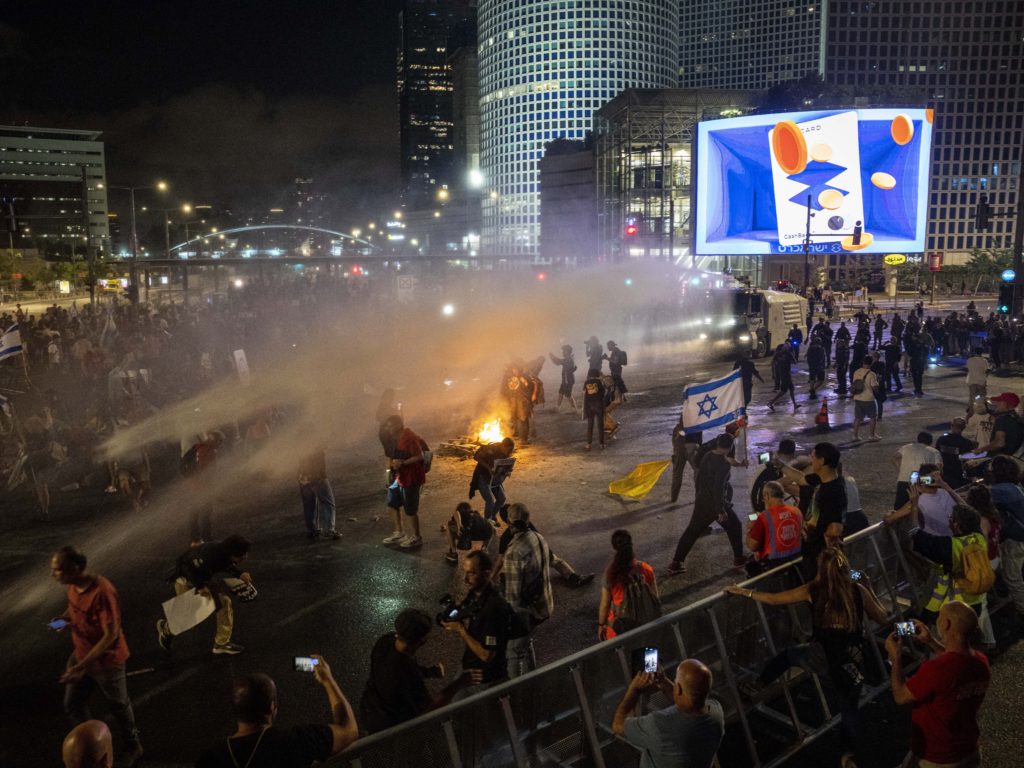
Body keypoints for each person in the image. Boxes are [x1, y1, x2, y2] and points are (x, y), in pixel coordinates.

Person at [726, 547, 890, 768]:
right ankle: (847, 757)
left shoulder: (813, 589)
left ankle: (758, 685)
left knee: (787, 657)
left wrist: (743, 591)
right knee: (849, 709)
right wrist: (869, 587)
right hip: (851, 661)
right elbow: (883, 618)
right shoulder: (858, 590)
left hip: (820, 656)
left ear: (821, 570)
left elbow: (774, 599)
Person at [50, 547, 143, 768]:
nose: (53, 574)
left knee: (119, 706)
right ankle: (93, 745)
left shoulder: (103, 591)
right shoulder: (74, 585)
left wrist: (82, 666)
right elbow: (74, 608)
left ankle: (134, 746)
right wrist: (63, 619)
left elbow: (111, 635)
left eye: (57, 570)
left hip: (106, 662)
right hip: (81, 655)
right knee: (73, 704)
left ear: (74, 569)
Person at [195, 659, 357, 767]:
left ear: (236, 710)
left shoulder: (209, 759)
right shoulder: (294, 742)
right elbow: (348, 730)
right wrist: (328, 680)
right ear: (272, 708)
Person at [884, 602, 990, 768]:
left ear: (946, 624)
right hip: (969, 750)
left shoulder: (936, 669)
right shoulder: (980, 661)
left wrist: (895, 657)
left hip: (935, 757)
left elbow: (900, 695)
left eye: (940, 616)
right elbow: (956, 659)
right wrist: (930, 641)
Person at [361, 609, 467, 733]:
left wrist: (430, 672)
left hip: (370, 708)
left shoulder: (385, 641)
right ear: (422, 640)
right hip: (391, 727)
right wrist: (460, 682)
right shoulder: (408, 674)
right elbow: (430, 707)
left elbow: (398, 668)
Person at [611, 659, 724, 768]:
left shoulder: (660, 724)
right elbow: (690, 699)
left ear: (678, 688)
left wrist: (634, 689)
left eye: (675, 681)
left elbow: (617, 724)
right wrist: (663, 680)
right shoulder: (716, 712)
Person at [666, 433, 748, 576]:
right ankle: (739, 559)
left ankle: (676, 563)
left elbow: (709, 469)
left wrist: (740, 464)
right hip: (715, 504)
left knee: (691, 532)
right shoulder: (723, 465)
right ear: (729, 448)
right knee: (735, 526)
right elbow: (718, 488)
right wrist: (721, 510)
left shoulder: (708, 455)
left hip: (702, 501)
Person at [157, 534, 252, 655]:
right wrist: (200, 586)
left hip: (200, 578)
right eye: (243, 555)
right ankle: (166, 630)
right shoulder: (210, 555)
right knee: (189, 617)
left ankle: (221, 643)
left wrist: (239, 574)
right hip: (187, 580)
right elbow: (187, 567)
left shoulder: (223, 552)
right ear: (233, 553)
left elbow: (225, 564)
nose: (245, 557)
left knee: (223, 603)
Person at [901, 504, 991, 624]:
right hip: (975, 601)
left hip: (950, 605)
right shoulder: (979, 538)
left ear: (956, 524)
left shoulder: (950, 546)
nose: (948, 519)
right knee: (966, 632)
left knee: (921, 626)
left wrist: (914, 505)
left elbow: (915, 533)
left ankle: (896, 635)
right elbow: (973, 517)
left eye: (950, 517)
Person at [445, 550, 512, 688]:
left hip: (485, 679)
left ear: (487, 573)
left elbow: (487, 655)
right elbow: (464, 609)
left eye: (471, 573)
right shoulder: (477, 592)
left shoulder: (494, 608)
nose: (465, 579)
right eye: (465, 572)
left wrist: (461, 630)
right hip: (468, 668)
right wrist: (452, 615)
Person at [779, 442, 846, 579]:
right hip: (812, 548)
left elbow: (834, 528)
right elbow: (800, 478)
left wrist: (827, 554)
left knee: (829, 583)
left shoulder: (834, 491)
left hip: (822, 554)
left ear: (821, 461)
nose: (810, 459)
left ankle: (860, 580)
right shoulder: (822, 479)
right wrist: (779, 464)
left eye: (813, 456)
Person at [501, 503, 554, 678]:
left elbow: (513, 597)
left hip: (527, 612)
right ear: (527, 519)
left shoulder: (514, 552)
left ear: (509, 522)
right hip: (544, 604)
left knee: (513, 652)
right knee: (527, 641)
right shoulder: (538, 537)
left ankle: (517, 692)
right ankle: (533, 677)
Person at [492, 503, 593, 588]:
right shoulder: (527, 524)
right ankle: (574, 578)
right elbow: (539, 538)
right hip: (536, 560)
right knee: (557, 561)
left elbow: (499, 562)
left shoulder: (505, 537)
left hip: (526, 568)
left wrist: (491, 577)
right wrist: (549, 554)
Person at [598, 529, 659, 640]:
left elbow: (605, 604)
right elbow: (655, 596)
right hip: (647, 625)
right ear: (631, 545)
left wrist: (601, 625)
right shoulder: (646, 568)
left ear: (614, 548)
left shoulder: (611, 573)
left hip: (622, 629)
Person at [986, 456, 1024, 622]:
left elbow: (981, 496)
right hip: (1019, 538)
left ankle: (1022, 611)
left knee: (1013, 578)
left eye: (991, 468)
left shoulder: (1000, 490)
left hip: (1014, 540)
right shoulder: (1015, 486)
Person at [380, 414, 427, 548]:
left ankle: (417, 537)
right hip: (399, 477)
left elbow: (419, 456)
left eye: (390, 426)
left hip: (411, 477)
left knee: (410, 509)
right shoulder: (394, 438)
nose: (388, 428)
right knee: (393, 502)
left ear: (398, 425)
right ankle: (399, 532)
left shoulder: (409, 437)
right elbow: (391, 456)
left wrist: (403, 463)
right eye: (387, 426)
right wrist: (389, 473)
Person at [885, 464, 966, 536]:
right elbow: (965, 506)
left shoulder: (918, 501)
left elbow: (889, 519)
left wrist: (888, 514)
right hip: (958, 539)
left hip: (938, 544)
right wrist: (944, 484)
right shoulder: (947, 492)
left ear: (922, 482)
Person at [745, 481, 803, 576]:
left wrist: (749, 530)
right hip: (796, 561)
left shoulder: (764, 517)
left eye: (764, 497)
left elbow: (752, 546)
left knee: (750, 563)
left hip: (773, 566)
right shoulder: (797, 511)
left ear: (767, 496)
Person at [180, 430, 224, 546]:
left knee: (195, 511)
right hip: (201, 486)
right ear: (213, 440)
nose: (220, 444)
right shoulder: (206, 451)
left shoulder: (198, 448)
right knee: (204, 511)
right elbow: (204, 470)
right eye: (219, 441)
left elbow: (186, 465)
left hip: (194, 485)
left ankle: (195, 538)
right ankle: (205, 538)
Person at [297, 448, 340, 541]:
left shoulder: (300, 441)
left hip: (302, 477)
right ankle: (329, 530)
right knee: (328, 502)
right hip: (317, 476)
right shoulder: (315, 442)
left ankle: (312, 530)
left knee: (309, 505)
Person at [469, 437, 515, 521]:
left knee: (502, 498)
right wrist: (488, 467)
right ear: (503, 446)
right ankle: (487, 523)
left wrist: (507, 471)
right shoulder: (491, 449)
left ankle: (492, 516)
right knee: (490, 501)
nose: (509, 452)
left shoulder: (505, 454)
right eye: (508, 450)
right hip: (483, 476)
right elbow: (476, 457)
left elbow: (502, 468)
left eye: (510, 450)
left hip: (494, 479)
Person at [893, 432, 942, 509]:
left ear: (918, 439)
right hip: (923, 481)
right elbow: (938, 469)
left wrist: (901, 469)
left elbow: (895, 458)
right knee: (921, 507)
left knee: (900, 507)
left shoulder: (906, 447)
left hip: (904, 479)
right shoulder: (934, 451)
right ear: (930, 442)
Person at [749, 439, 798, 512]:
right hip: (763, 509)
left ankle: (752, 519)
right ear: (793, 455)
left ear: (778, 450)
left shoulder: (766, 456)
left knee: (753, 517)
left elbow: (755, 461)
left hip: (753, 504)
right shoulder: (781, 470)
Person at [975, 391, 1024, 457]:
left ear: (1005, 404)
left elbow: (999, 443)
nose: (997, 404)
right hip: (1013, 460)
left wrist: (980, 450)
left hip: (998, 460)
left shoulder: (1002, 419)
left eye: (999, 401)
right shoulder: (1018, 419)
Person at [935, 418, 975, 489]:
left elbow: (936, 454)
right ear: (963, 428)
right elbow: (969, 462)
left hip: (943, 474)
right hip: (958, 476)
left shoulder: (941, 439)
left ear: (951, 426)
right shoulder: (966, 443)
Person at [669, 417, 701, 503]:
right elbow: (699, 442)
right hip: (692, 450)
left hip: (679, 451)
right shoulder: (697, 427)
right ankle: (698, 497)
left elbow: (674, 443)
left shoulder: (677, 428)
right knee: (698, 471)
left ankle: (674, 497)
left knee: (677, 475)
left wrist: (675, 454)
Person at [850, 356, 880, 441]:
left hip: (857, 397)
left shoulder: (856, 372)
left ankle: (855, 436)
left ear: (863, 362)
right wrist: (878, 383)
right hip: (868, 399)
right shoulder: (871, 374)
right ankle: (871, 435)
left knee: (858, 418)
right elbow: (875, 388)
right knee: (873, 417)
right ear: (871, 363)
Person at [767, 343, 799, 413]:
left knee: (791, 389)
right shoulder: (788, 354)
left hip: (783, 374)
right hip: (786, 375)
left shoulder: (778, 354)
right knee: (783, 391)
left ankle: (795, 404)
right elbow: (795, 362)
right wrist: (792, 354)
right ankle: (771, 402)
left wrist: (774, 374)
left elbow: (773, 363)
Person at [548, 344, 579, 412]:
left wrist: (551, 356)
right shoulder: (570, 358)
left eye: (563, 351)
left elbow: (557, 362)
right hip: (566, 380)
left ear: (567, 351)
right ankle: (557, 407)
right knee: (561, 392)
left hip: (567, 380)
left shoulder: (568, 359)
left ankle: (574, 409)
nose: (562, 352)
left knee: (568, 395)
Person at [582, 368, 606, 451]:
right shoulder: (599, 382)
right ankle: (601, 444)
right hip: (599, 406)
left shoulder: (586, 382)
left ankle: (589, 444)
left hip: (589, 407)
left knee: (590, 426)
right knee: (600, 425)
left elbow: (584, 395)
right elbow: (603, 393)